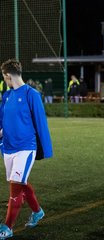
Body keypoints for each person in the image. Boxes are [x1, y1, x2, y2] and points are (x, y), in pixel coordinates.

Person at [0, 59, 53, 239]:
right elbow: (3, 122)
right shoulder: (6, 96)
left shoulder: (32, 94)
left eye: (4, 77)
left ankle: (7, 227)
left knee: (15, 187)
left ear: (8, 75)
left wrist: (44, 149)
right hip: (8, 148)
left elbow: (41, 123)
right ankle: (38, 211)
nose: (4, 80)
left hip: (25, 148)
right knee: (20, 183)